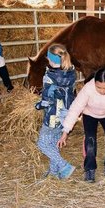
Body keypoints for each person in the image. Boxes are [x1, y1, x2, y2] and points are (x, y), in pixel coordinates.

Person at [57, 68, 105, 183]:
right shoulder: (88, 88)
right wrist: (65, 132)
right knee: (90, 140)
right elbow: (75, 108)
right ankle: (90, 169)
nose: (102, 91)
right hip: (89, 114)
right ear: (94, 83)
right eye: (99, 87)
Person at [35, 44, 77, 180]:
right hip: (66, 113)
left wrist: (38, 105)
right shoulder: (71, 72)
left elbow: (46, 98)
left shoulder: (50, 76)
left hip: (53, 114)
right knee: (53, 142)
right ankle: (53, 172)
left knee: (42, 143)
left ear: (51, 59)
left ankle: (64, 166)